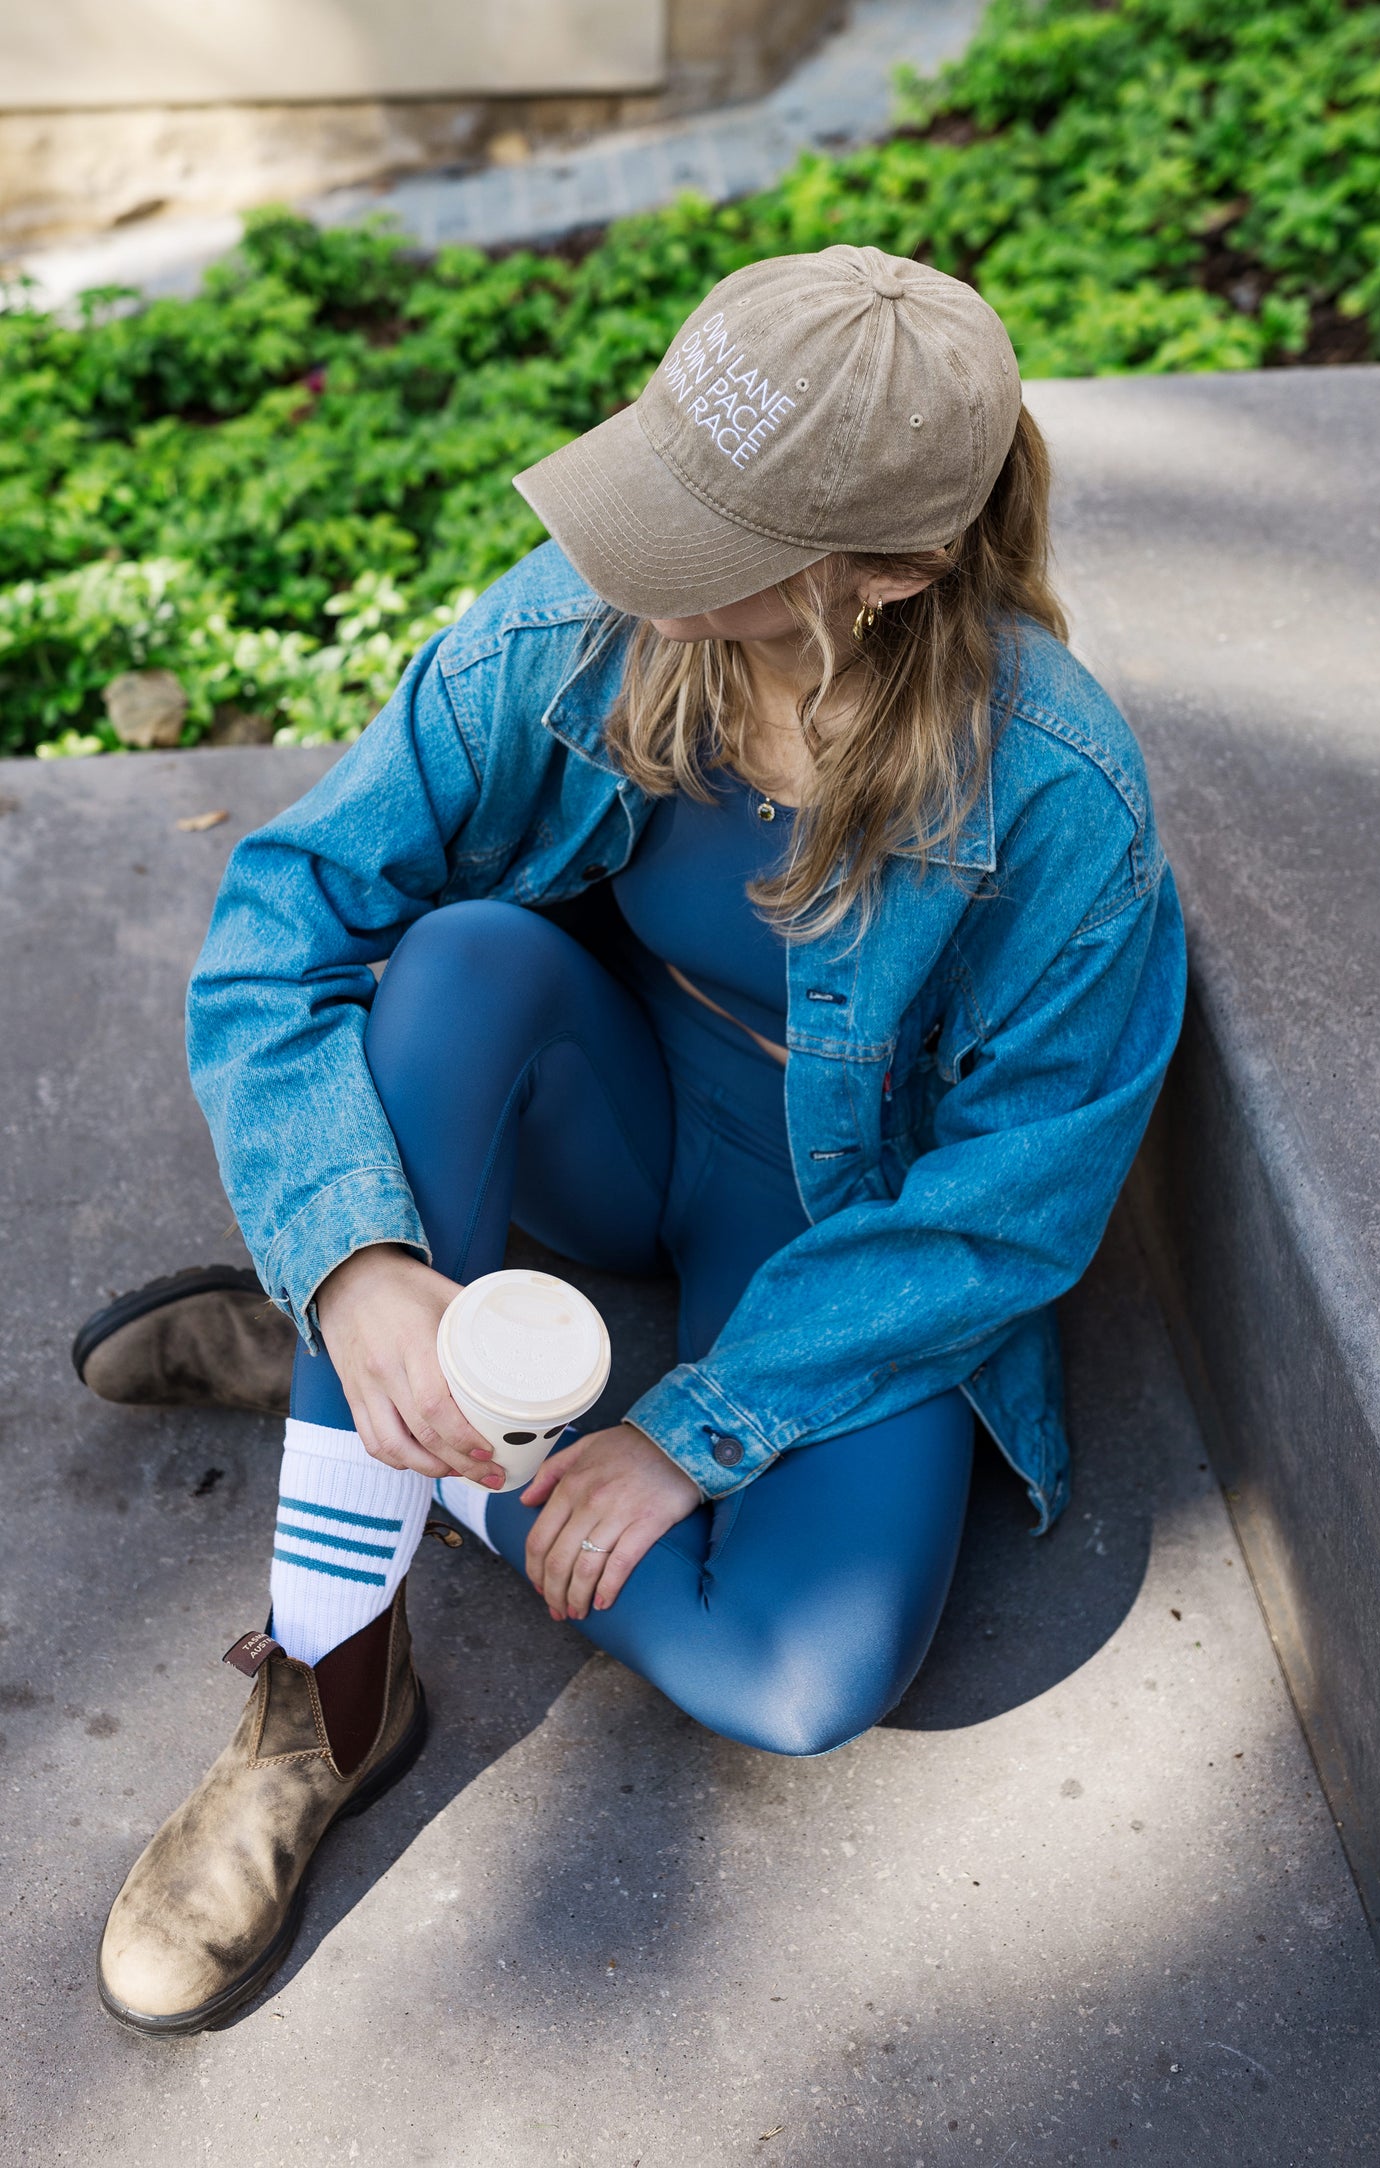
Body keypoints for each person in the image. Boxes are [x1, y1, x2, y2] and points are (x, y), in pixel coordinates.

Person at [94, 245, 1185, 2036]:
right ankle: (330, 1670)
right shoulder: (571, 631)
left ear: (894, 572)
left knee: (796, 1673)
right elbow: (288, 914)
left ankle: (366, 1419)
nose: (630, 557)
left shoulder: (1063, 802)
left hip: (850, 1225)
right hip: (600, 1101)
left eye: (715, 537)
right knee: (449, 971)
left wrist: (690, 1435)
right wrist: (363, 1258)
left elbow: (1009, 1206)